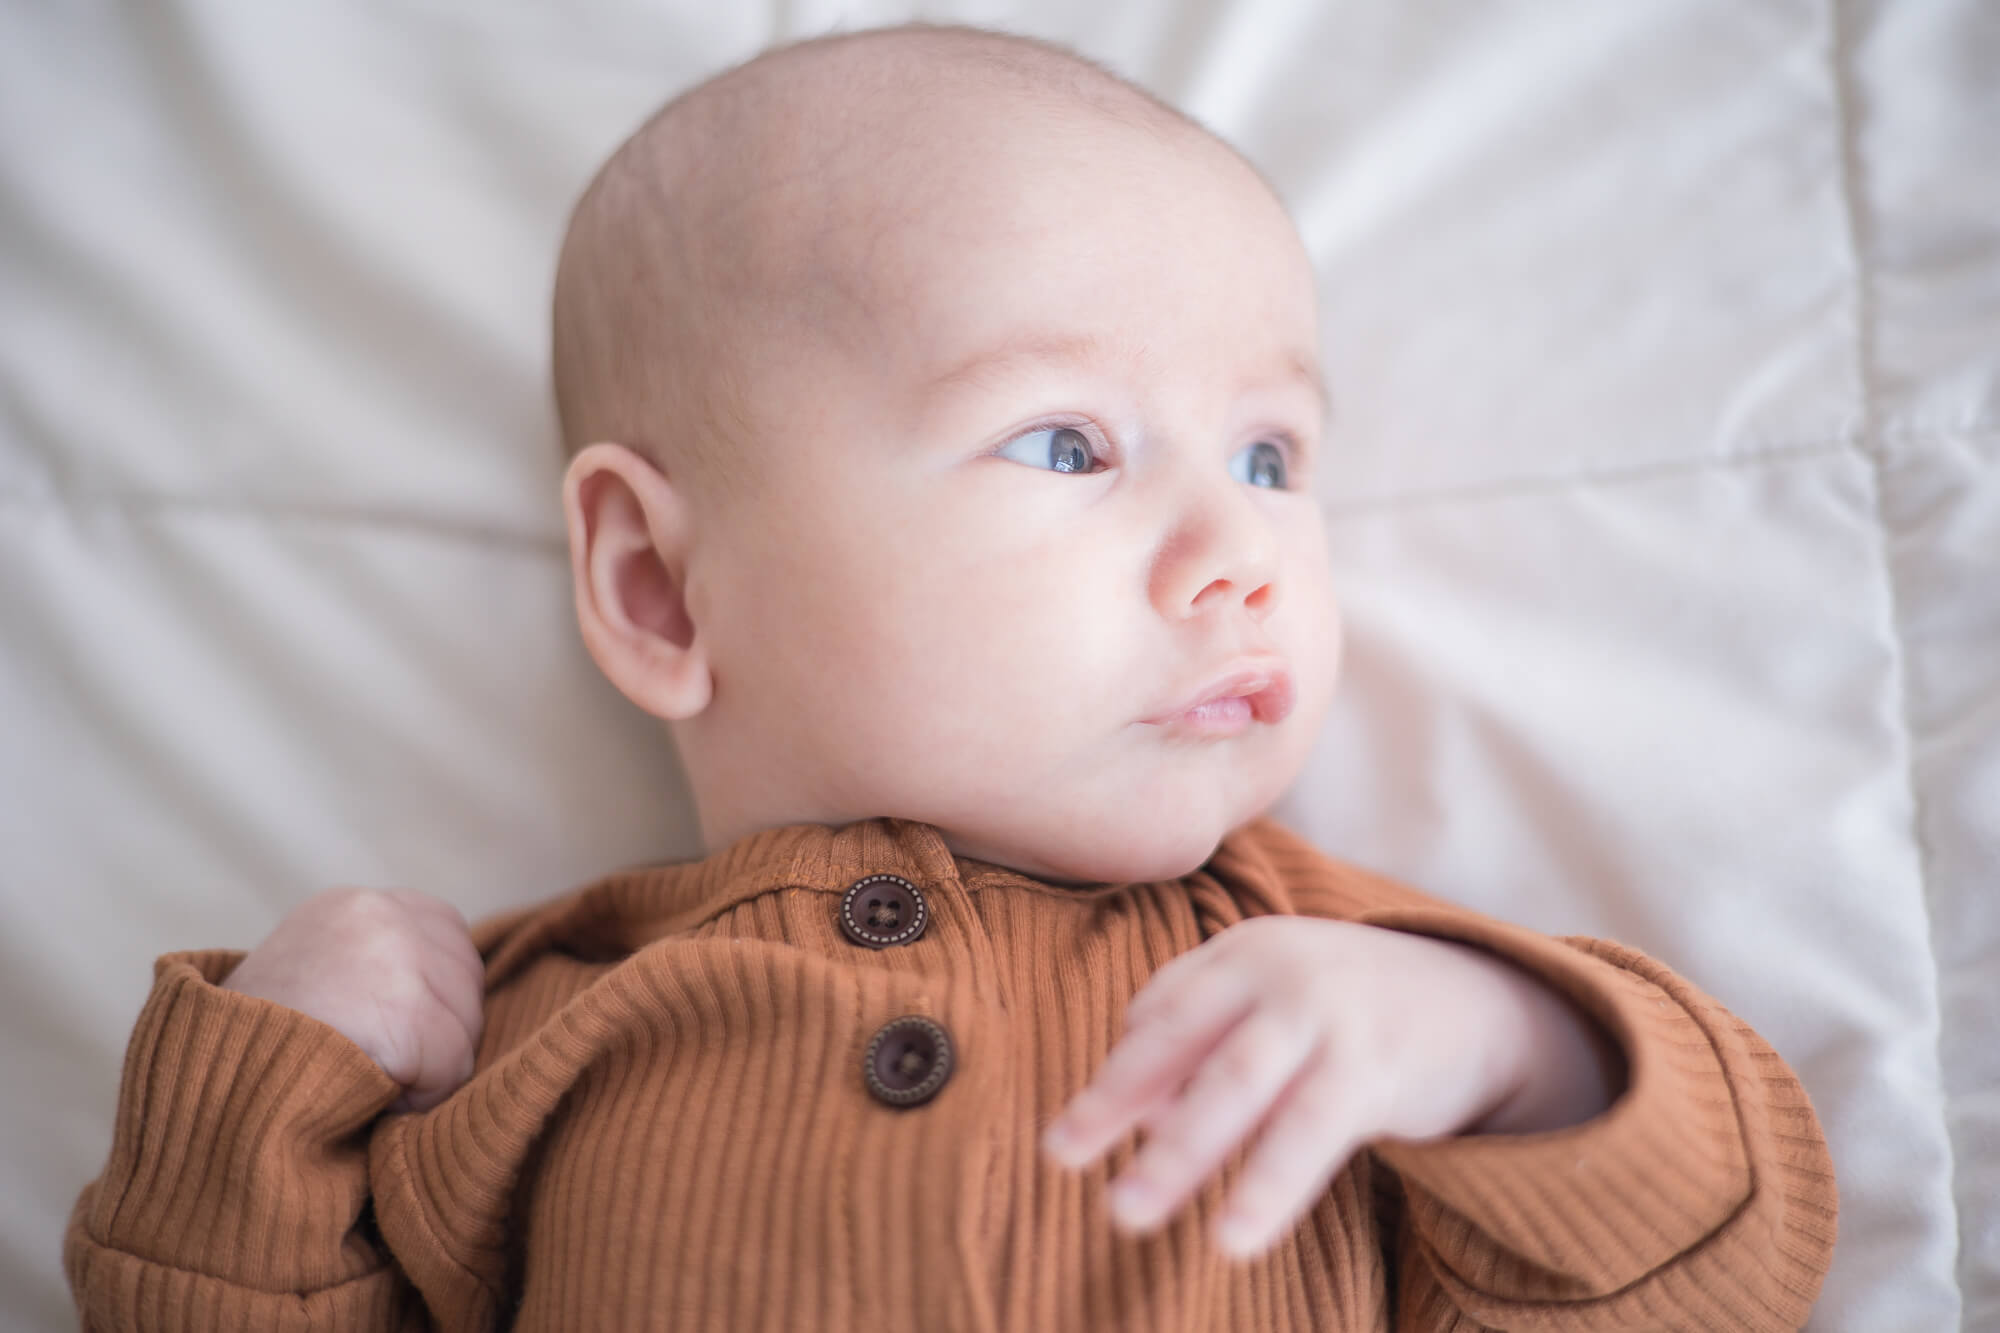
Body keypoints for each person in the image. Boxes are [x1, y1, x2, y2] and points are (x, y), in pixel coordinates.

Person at [65, 23, 1836, 1331]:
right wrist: (265, 1091)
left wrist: (1510, 1050)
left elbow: (1735, 1273)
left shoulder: (1331, 994)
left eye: (1276, 458)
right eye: (1067, 444)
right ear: (660, 590)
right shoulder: (532, 1027)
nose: (1241, 548)